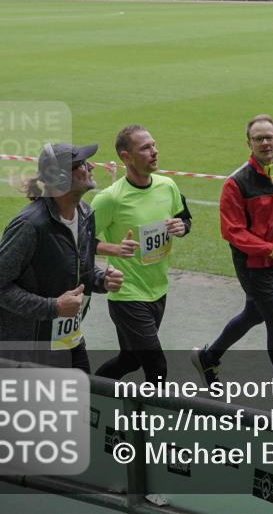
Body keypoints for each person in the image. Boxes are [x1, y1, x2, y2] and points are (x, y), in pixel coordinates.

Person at [191, 114, 273, 413]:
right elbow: (232, 231)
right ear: (248, 143)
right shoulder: (236, 183)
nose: (264, 142)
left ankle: (209, 358)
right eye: (258, 138)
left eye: (269, 137)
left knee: (254, 313)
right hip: (251, 261)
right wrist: (267, 248)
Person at [0, 142, 123, 371]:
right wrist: (53, 307)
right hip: (25, 351)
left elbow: (77, 267)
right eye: (82, 164)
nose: (91, 167)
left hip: (67, 339)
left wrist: (100, 279)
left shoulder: (86, 214)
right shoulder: (29, 225)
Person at [92, 125, 192, 384]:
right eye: (145, 148)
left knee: (130, 359)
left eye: (154, 145)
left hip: (158, 289)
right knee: (156, 367)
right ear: (126, 157)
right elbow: (77, 240)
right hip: (127, 295)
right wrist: (111, 249)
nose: (155, 152)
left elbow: (184, 218)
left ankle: (90, 393)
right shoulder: (110, 199)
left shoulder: (167, 185)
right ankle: (143, 424)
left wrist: (182, 228)